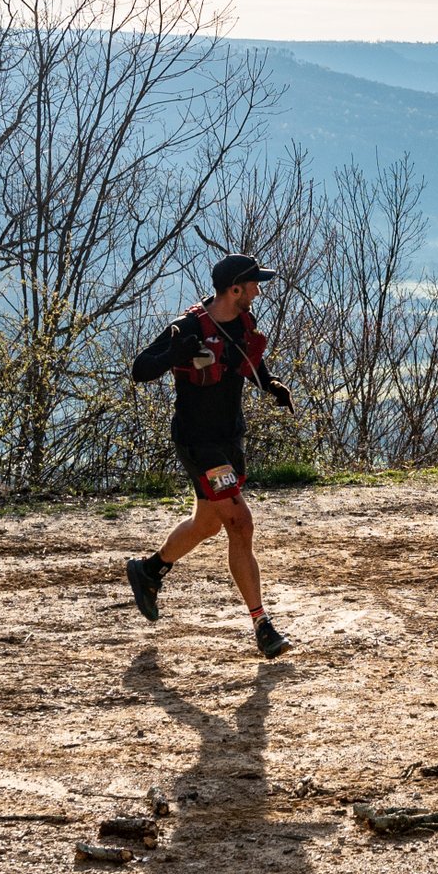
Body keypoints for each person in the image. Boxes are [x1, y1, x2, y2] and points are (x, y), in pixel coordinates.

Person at [124, 253, 297, 658]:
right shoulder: (187, 327)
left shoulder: (243, 321)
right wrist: (172, 355)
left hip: (228, 438)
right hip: (199, 443)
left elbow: (247, 359)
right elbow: (140, 369)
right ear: (234, 289)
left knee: (207, 523)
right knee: (239, 522)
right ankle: (263, 626)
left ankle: (149, 570)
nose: (258, 291)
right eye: (254, 284)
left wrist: (270, 385)